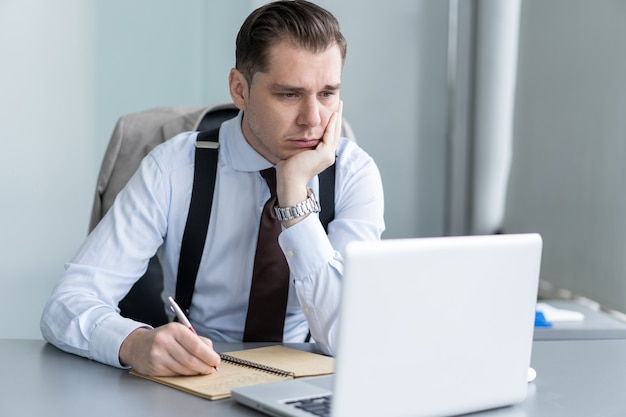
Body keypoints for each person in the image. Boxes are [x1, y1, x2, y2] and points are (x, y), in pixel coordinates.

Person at [40, 0, 384, 377]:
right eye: (289, 94)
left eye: (327, 94)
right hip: (194, 375)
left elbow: (349, 339)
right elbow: (66, 304)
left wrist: (294, 195)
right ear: (240, 89)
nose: (312, 119)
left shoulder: (353, 173)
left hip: (306, 381)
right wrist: (134, 342)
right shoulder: (174, 167)